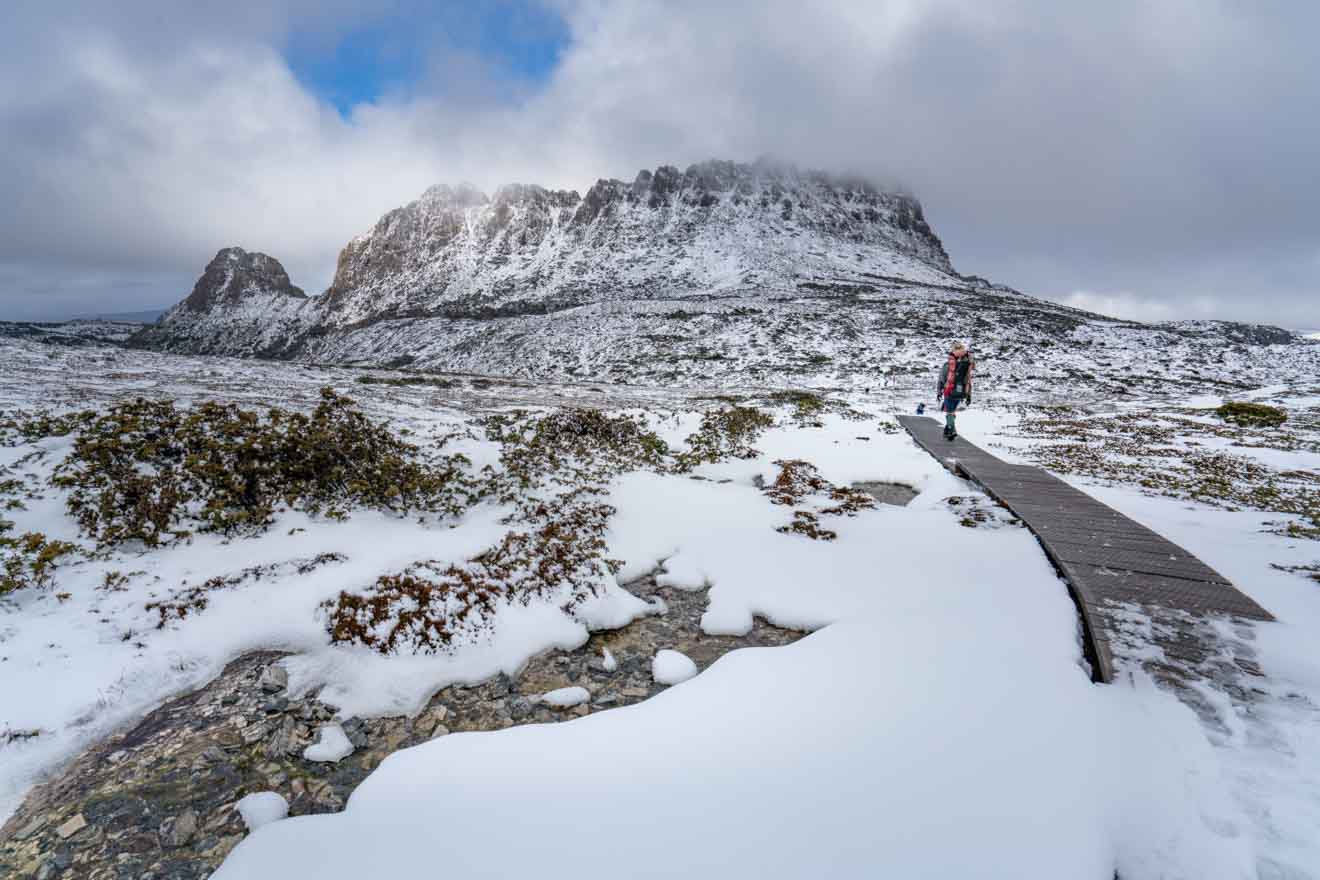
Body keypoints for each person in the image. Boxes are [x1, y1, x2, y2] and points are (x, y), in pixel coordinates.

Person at [936, 342, 973, 440]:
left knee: (949, 412)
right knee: (952, 411)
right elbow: (968, 380)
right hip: (961, 392)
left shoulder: (948, 365)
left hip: (949, 390)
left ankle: (952, 430)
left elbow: (941, 379)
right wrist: (969, 395)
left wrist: (939, 392)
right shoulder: (966, 365)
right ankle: (947, 431)